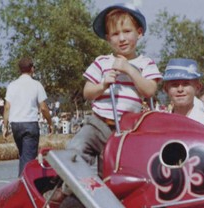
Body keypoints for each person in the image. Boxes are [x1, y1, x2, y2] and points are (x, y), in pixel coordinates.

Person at [67, 3, 162, 165]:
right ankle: (66, 189)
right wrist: (103, 85)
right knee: (75, 151)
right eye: (115, 34)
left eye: (127, 31)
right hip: (98, 123)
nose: (122, 38)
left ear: (139, 33)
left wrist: (130, 70)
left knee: (113, 168)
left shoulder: (145, 63)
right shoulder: (102, 62)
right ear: (108, 38)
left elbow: (149, 91)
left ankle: (104, 189)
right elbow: (88, 92)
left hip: (126, 130)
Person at [3, 56, 52, 176]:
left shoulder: (12, 85)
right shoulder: (36, 85)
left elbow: (7, 107)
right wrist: (50, 123)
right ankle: (23, 184)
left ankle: (23, 181)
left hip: (16, 125)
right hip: (30, 123)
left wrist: (5, 126)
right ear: (32, 69)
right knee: (28, 160)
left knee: (24, 156)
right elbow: (44, 108)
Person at [163, 58, 204, 135]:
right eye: (174, 84)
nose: (180, 89)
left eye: (186, 84)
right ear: (166, 89)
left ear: (197, 88)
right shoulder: (161, 124)